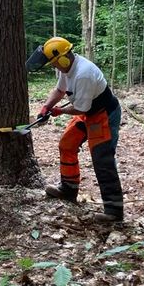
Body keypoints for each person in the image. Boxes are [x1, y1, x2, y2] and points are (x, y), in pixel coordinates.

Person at [26, 37, 123, 222]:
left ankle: (114, 210)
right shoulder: (67, 67)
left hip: (102, 114)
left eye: (55, 64)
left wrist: (59, 111)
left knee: (102, 159)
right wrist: (46, 106)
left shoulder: (83, 74)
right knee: (66, 144)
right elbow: (60, 90)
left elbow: (81, 108)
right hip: (87, 112)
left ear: (63, 58)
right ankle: (68, 189)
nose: (55, 67)